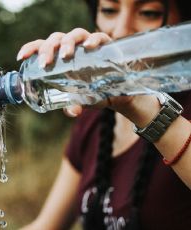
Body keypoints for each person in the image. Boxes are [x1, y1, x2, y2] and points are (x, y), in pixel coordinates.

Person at [19, 0, 191, 229]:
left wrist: (136, 101)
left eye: (148, 13)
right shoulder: (93, 118)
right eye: (109, 10)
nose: (120, 30)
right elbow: (46, 225)